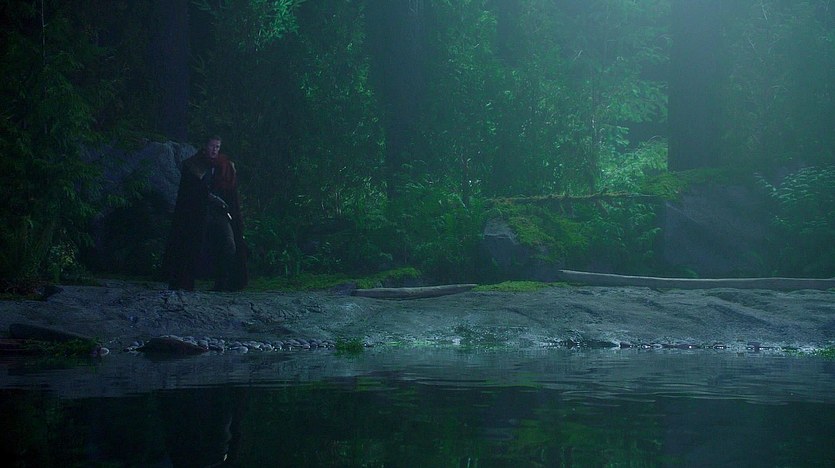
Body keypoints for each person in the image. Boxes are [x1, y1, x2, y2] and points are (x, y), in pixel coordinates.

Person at [164, 136, 248, 291]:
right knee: (192, 245)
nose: (214, 150)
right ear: (205, 146)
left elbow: (230, 193)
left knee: (229, 244)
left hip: (219, 214)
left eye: (217, 147)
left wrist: (225, 206)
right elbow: (190, 193)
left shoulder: (225, 166)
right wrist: (207, 197)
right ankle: (185, 281)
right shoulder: (194, 165)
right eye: (212, 146)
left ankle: (222, 282)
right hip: (197, 214)